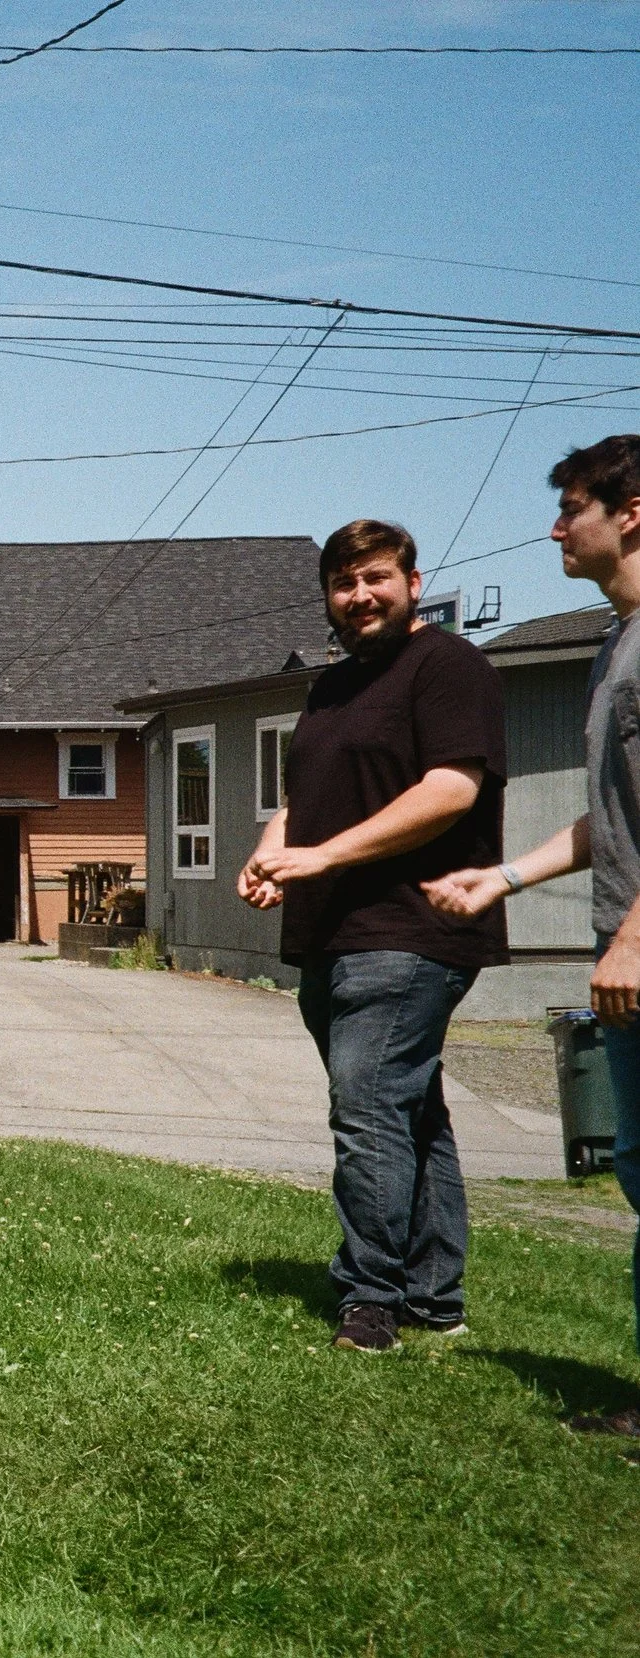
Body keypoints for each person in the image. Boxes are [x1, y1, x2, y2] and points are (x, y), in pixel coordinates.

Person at [240, 519, 509, 1354]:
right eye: (344, 583)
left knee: (366, 1110)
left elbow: (451, 789)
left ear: (414, 583)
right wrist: (272, 850)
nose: (361, 596)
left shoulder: (449, 667)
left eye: (377, 578)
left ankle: (371, 1301)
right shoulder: (331, 688)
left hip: (410, 925)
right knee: (406, 1110)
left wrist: (323, 854)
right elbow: (306, 798)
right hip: (333, 931)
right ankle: (434, 1295)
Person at [424, 434, 640, 1395]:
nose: (556, 526)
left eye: (574, 508)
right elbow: (614, 815)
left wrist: (636, 931)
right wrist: (503, 879)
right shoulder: (617, 643)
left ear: (631, 513)